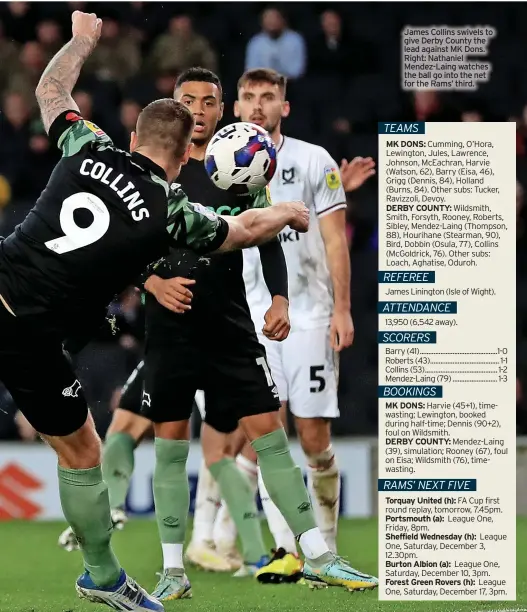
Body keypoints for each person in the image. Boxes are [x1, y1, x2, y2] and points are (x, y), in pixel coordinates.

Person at [0, 12, 309, 611]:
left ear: (134, 138)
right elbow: (243, 229)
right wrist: (287, 213)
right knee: (83, 453)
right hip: (31, 337)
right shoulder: (172, 210)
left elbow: (49, 90)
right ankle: (101, 575)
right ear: (180, 154)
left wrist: (83, 40)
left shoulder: (87, 143)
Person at [59, 67, 291, 580]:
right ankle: (117, 513)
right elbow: (128, 243)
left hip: (229, 330)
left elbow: (266, 238)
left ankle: (256, 550)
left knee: (224, 447)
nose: (200, 110)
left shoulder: (242, 166)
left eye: (209, 101)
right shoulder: (157, 168)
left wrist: (279, 297)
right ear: (176, 106)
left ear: (221, 107)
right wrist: (154, 284)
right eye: (189, 100)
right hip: (171, 331)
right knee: (142, 430)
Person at [211, 68, 376, 585]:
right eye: (248, 97)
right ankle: (289, 551)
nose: (257, 105)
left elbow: (333, 242)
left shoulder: (313, 160)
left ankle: (325, 542)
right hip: (254, 317)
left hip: (309, 315)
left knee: (313, 439)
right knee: (267, 434)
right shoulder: (219, 164)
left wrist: (343, 308)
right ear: (235, 106)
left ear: (285, 105)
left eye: (268, 97)